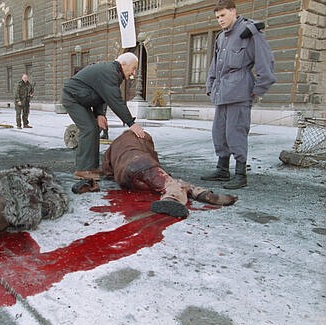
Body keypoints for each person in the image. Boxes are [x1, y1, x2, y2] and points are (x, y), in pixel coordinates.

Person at [202, 0, 276, 189]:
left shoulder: (249, 32)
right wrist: (210, 85)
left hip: (240, 92)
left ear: (233, 12)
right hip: (222, 92)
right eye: (217, 17)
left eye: (223, 15)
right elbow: (215, 64)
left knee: (236, 133)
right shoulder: (221, 37)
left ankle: (240, 175)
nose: (220, 20)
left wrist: (259, 89)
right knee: (219, 133)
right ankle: (222, 170)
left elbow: (265, 61)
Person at [94, 130, 238, 218]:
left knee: (163, 184)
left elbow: (107, 169)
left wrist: (115, 174)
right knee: (169, 184)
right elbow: (153, 157)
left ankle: (197, 192)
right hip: (141, 163)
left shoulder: (114, 145)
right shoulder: (143, 136)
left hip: (125, 177)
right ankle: (172, 199)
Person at [61, 52, 145, 181]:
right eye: (133, 68)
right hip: (72, 98)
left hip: (83, 99)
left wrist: (99, 114)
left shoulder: (114, 73)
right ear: (123, 64)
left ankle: (92, 167)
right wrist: (131, 123)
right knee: (88, 129)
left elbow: (101, 95)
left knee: (94, 128)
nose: (134, 73)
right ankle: (82, 170)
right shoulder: (110, 73)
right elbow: (115, 100)